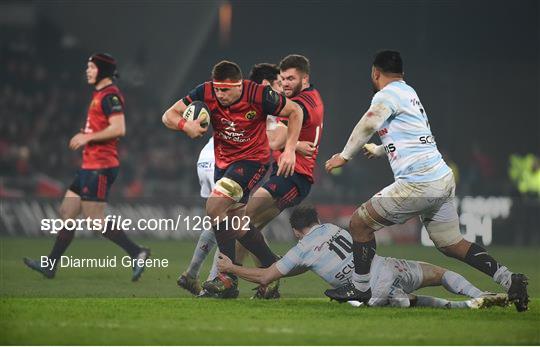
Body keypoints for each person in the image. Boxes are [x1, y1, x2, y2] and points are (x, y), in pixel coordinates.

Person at [323, 50, 528, 311]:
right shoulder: (409, 93)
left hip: (418, 183)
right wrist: (380, 149)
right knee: (451, 243)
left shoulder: (386, 95)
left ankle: (360, 289)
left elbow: (369, 122)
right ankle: (510, 279)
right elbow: (416, 138)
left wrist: (345, 156)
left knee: (359, 223)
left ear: (375, 73)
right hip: (441, 178)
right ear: (402, 74)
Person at [162, 60, 303, 298]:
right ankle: (272, 267)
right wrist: (186, 125)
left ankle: (227, 278)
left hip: (252, 162)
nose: (220, 95)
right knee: (237, 227)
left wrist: (289, 150)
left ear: (239, 85)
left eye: (225, 90)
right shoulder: (205, 91)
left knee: (214, 206)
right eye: (217, 89)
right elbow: (168, 116)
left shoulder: (258, 94)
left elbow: (295, 111)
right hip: (223, 163)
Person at [217, 206, 509, 309]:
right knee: (441, 273)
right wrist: (284, 266)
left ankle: (463, 308)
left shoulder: (302, 249)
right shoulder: (333, 228)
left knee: (396, 300)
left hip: (367, 287)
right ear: (316, 220)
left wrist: (232, 267)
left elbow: (268, 275)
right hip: (386, 266)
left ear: (296, 231)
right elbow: (301, 266)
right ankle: (478, 295)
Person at [24, 53, 150, 281]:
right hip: (88, 166)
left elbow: (119, 128)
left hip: (101, 166)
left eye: (91, 67)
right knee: (67, 211)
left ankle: (137, 252)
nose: (88, 71)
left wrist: (87, 138)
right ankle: (51, 265)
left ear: (102, 70)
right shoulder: (99, 94)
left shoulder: (110, 95)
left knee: (94, 220)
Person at [217, 54, 324, 299]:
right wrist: (295, 145)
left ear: (304, 78)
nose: (284, 84)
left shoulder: (301, 103)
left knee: (242, 219)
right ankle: (261, 282)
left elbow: (275, 139)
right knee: (248, 230)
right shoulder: (306, 98)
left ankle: (237, 277)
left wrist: (286, 143)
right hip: (284, 173)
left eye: (290, 79)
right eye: (282, 79)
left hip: (294, 176)